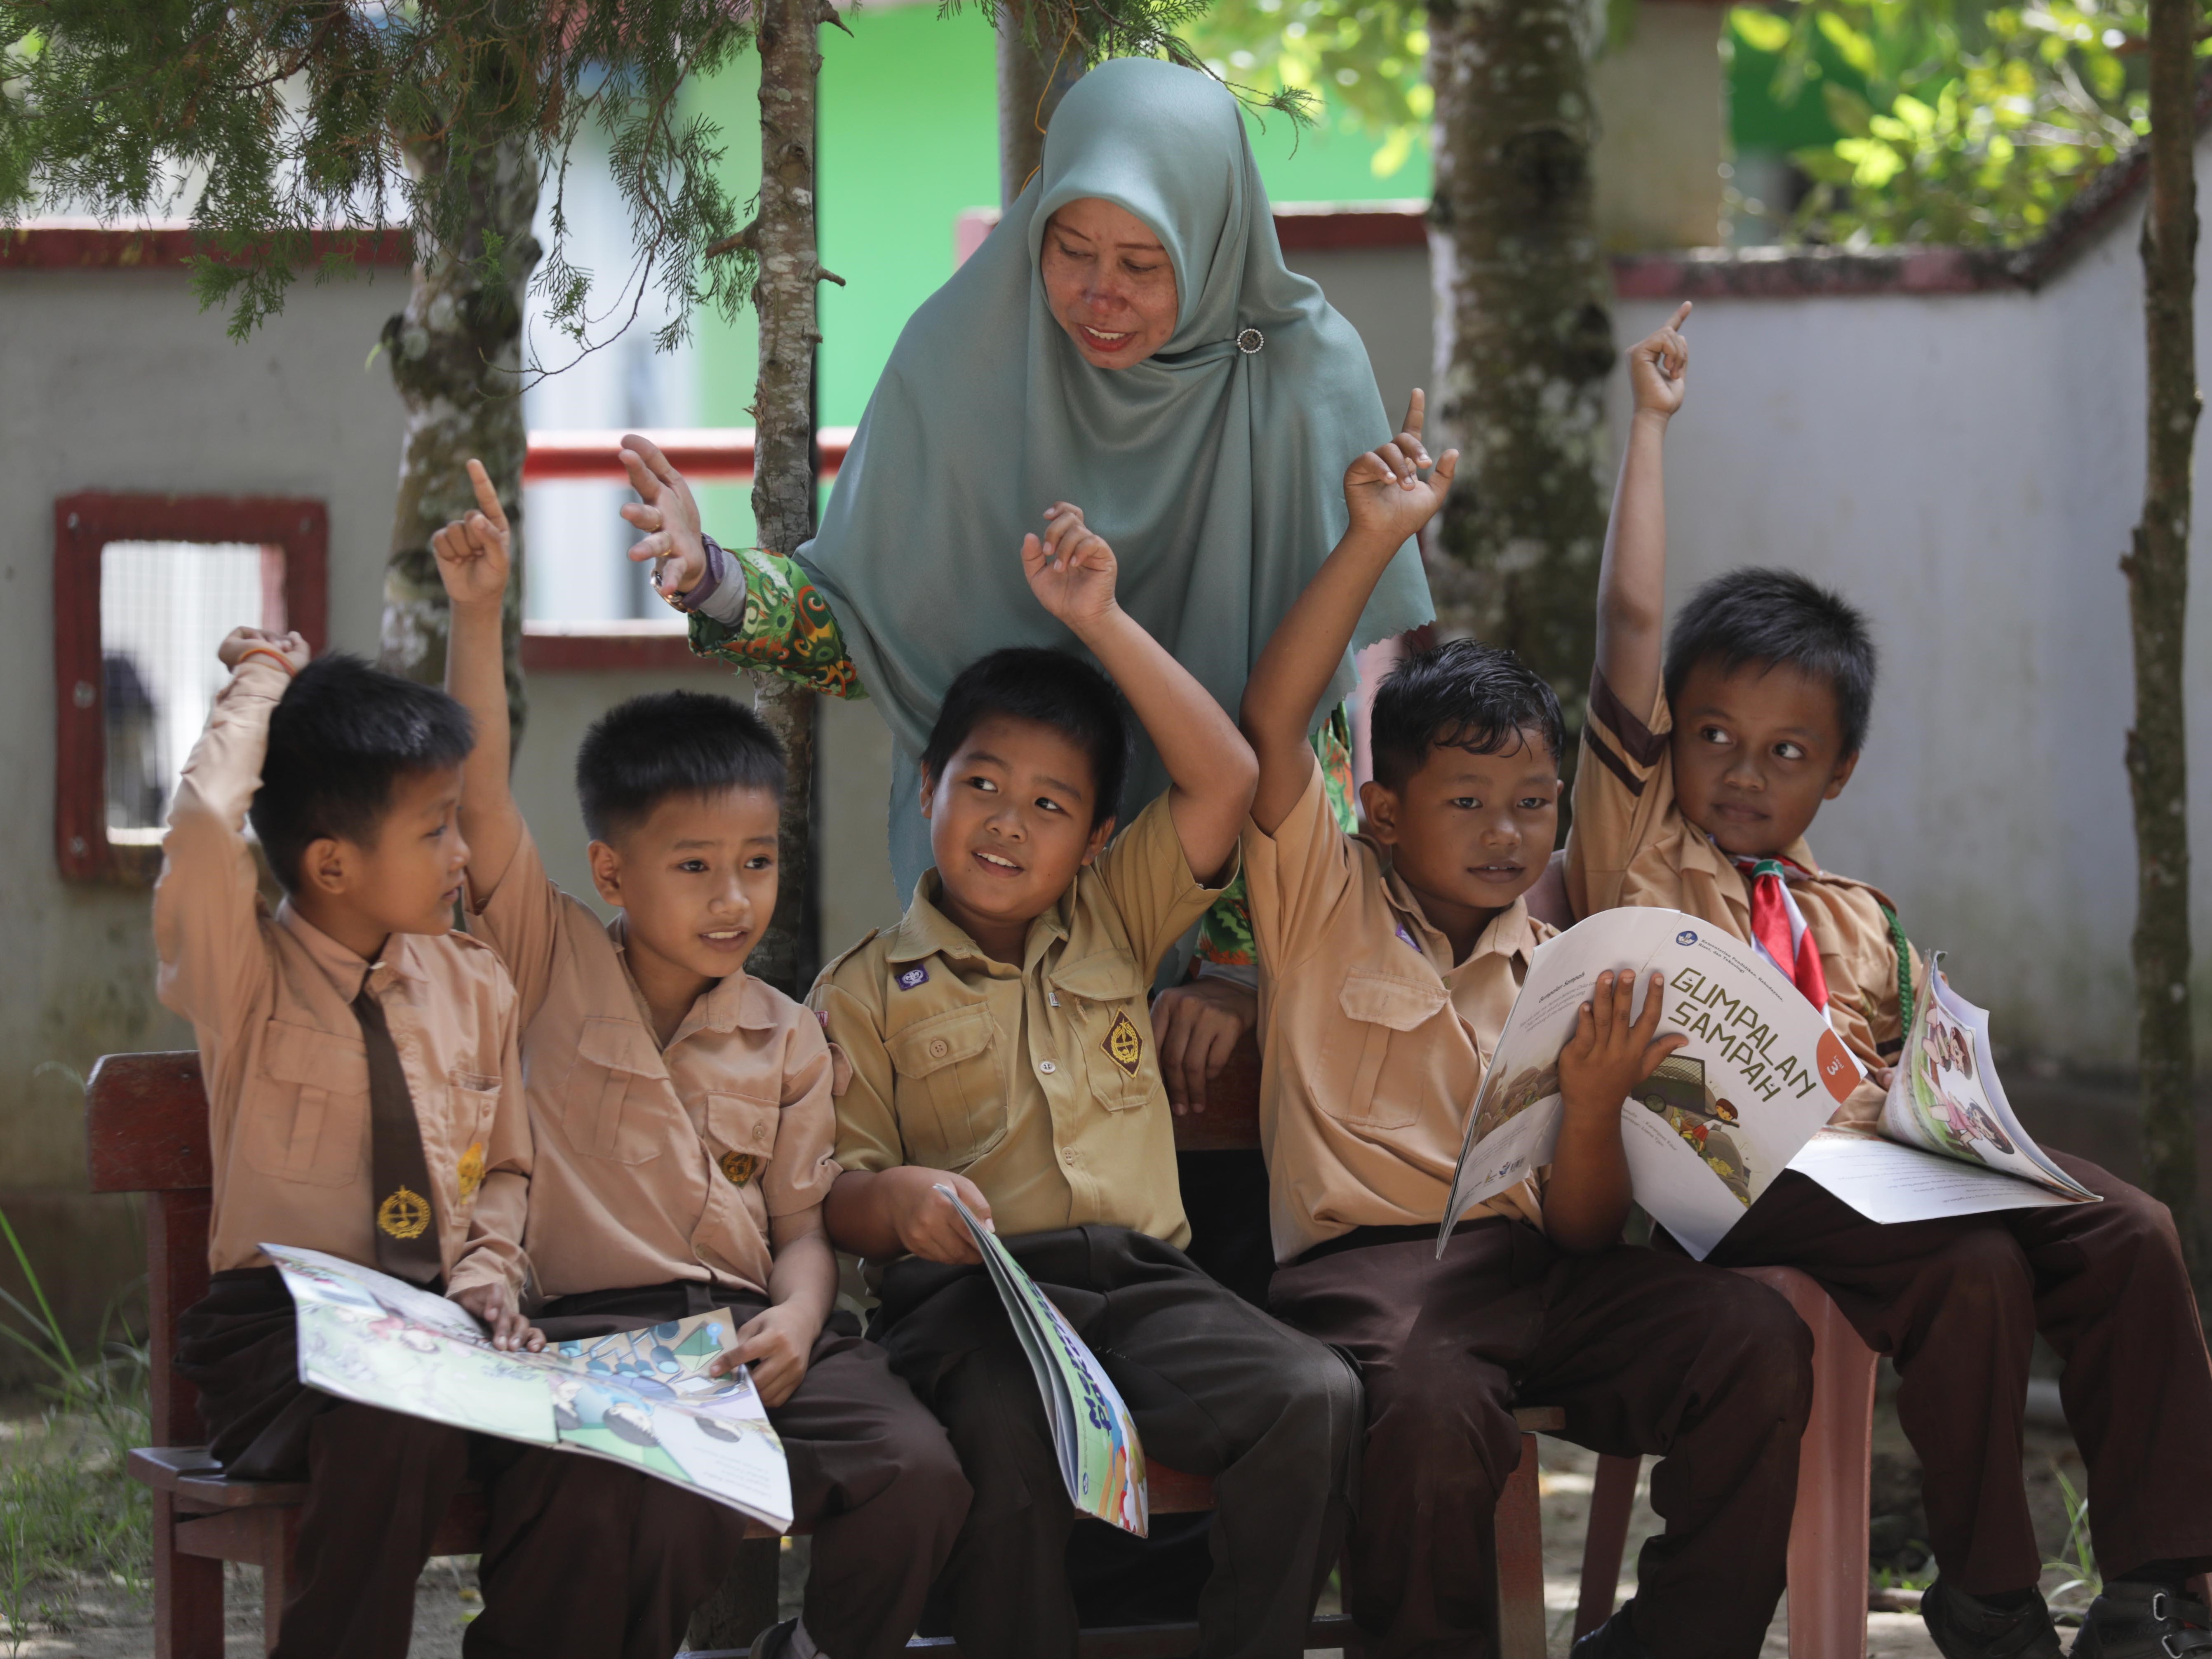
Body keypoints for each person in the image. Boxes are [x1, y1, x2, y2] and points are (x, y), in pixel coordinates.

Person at [1571, 302, 2212, 1659]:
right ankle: (1991, 1589)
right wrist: (1649, 425)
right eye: (1711, 736)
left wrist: (1930, 1097)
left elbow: (1943, 1090)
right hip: (1727, 1175)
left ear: (1837, 771)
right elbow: (1630, 616)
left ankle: (2135, 1585)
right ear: (1669, 741)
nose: (1743, 772)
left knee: (2124, 1231)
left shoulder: (1860, 916)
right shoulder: (1637, 844)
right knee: (1963, 1253)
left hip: (1889, 1177)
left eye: (1786, 751)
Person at [618, 52, 1429, 1122]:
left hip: (1224, 923)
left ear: (1215, 240)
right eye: (1070, 248)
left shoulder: (1295, 376)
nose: (1099, 295)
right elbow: (863, 625)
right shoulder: (961, 362)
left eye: (1143, 263)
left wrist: (1243, 966)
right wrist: (711, 576)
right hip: (986, 942)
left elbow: (1311, 716)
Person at [1237, 415, 1813, 1659]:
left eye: (1533, 805)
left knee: (1753, 1338)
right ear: (1382, 812)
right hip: (1367, 1279)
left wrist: (1598, 1099)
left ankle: (1666, 1643)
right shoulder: (1319, 894)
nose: (1507, 834)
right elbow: (1273, 722)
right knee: (1437, 1407)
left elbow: (1583, 1232)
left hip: (1536, 1276)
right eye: (1467, 803)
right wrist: (1371, 540)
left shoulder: (1563, 963)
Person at [430, 464, 971, 1659]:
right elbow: (477, 803)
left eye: (758, 863)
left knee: (914, 1468)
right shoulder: (547, 955)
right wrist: (479, 613)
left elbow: (802, 1229)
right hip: (586, 1340)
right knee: (629, 1499)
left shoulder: (785, 1030)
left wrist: (797, 1319)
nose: (735, 900)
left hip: (742, 1337)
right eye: (693, 868)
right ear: (611, 873)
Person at [811, 502, 1362, 1659]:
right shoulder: (862, 991)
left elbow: (1224, 773)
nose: (1007, 825)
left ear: (1097, 839)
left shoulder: (1115, 918)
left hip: (1146, 1293)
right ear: (928, 791)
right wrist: (900, 1201)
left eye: (1049, 806)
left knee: (1312, 1400)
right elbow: (836, 1190)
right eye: (982, 787)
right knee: (1009, 1461)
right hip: (973, 1313)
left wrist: (1100, 621)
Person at [156, 632, 553, 1659]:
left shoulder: (474, 984)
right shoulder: (243, 978)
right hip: (280, 1343)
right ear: (332, 861)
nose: (462, 854)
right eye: (433, 831)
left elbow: (506, 1166)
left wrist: (489, 1269)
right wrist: (263, 679)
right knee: (398, 1409)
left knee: (594, 1455)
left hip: (440, 1329)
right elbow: (205, 825)